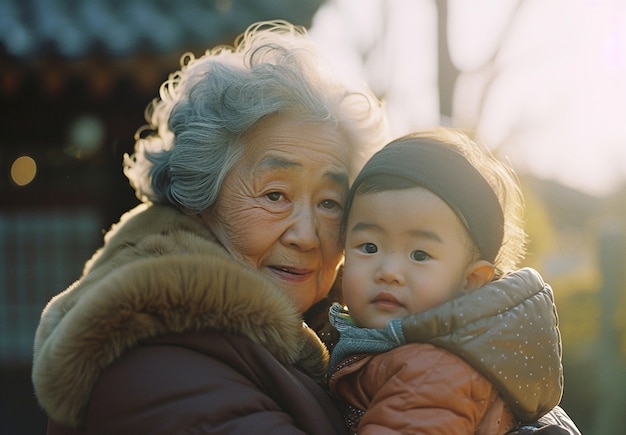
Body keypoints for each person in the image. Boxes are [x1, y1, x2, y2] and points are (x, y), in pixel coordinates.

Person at [31, 20, 578, 434]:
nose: (308, 235)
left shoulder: (344, 337)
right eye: (275, 195)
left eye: (331, 203)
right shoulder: (154, 361)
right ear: (200, 199)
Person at [328, 129, 581, 434]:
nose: (388, 270)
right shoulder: (391, 346)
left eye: (419, 255)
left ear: (472, 280)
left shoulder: (434, 371)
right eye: (369, 247)